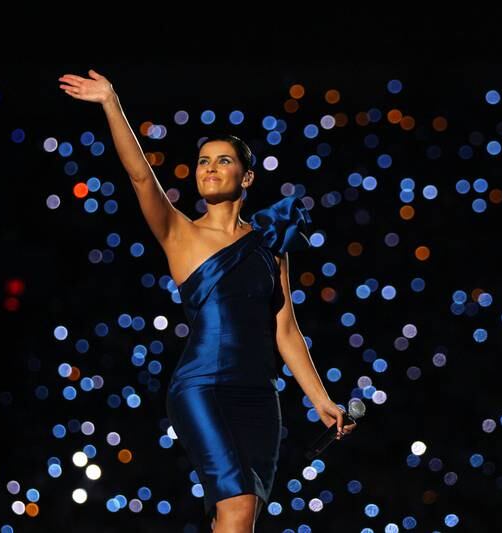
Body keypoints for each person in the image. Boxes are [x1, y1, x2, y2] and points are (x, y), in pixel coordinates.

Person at [59, 69, 357, 532]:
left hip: (260, 397)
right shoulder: (180, 233)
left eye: (222, 161)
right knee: (236, 505)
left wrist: (320, 399)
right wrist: (111, 103)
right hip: (203, 387)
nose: (210, 169)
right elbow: (141, 178)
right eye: (202, 162)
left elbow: (285, 329)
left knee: (237, 517)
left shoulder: (269, 245)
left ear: (248, 176)